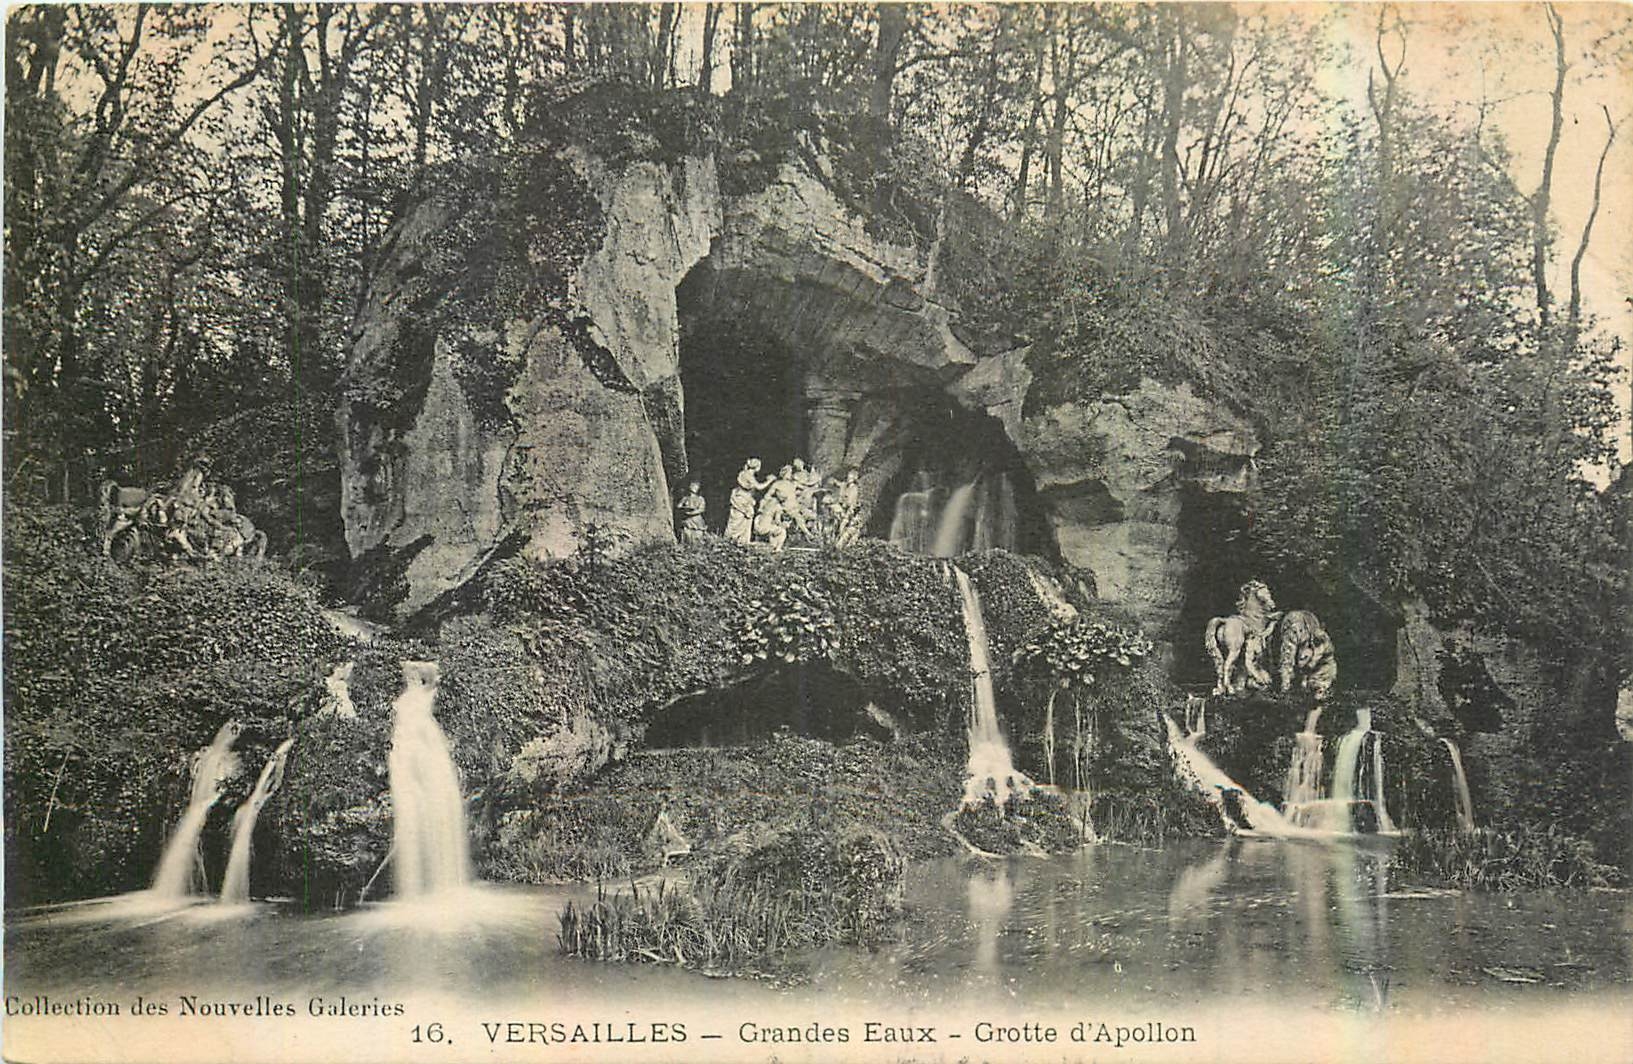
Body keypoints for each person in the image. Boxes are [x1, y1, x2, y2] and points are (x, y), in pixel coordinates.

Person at [725, 459, 771, 545]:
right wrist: (769, 481)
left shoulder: (744, 473)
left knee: (743, 520)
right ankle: (734, 538)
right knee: (739, 519)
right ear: (757, 467)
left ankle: (742, 540)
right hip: (742, 499)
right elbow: (759, 487)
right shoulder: (748, 475)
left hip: (744, 498)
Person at [675, 479, 707, 545]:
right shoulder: (685, 498)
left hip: (696, 519)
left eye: (696, 486)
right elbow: (678, 506)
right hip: (687, 519)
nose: (694, 488)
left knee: (697, 532)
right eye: (692, 486)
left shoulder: (700, 499)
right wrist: (683, 509)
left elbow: (701, 509)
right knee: (686, 530)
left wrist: (692, 513)